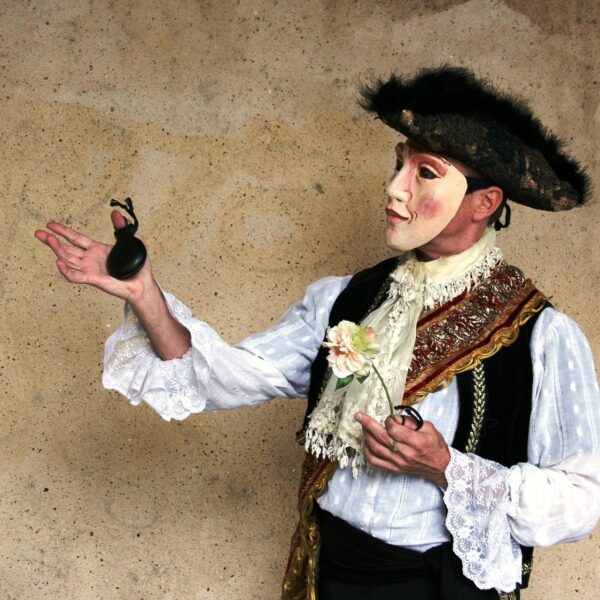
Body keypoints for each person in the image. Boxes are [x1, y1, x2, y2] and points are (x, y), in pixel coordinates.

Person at [35, 67, 600, 600]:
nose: (395, 188)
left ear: (486, 203)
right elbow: (225, 377)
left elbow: (581, 500)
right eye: (398, 165)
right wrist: (144, 295)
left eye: (424, 173)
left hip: (435, 587)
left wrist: (446, 467)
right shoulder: (346, 299)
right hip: (331, 572)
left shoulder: (542, 336)